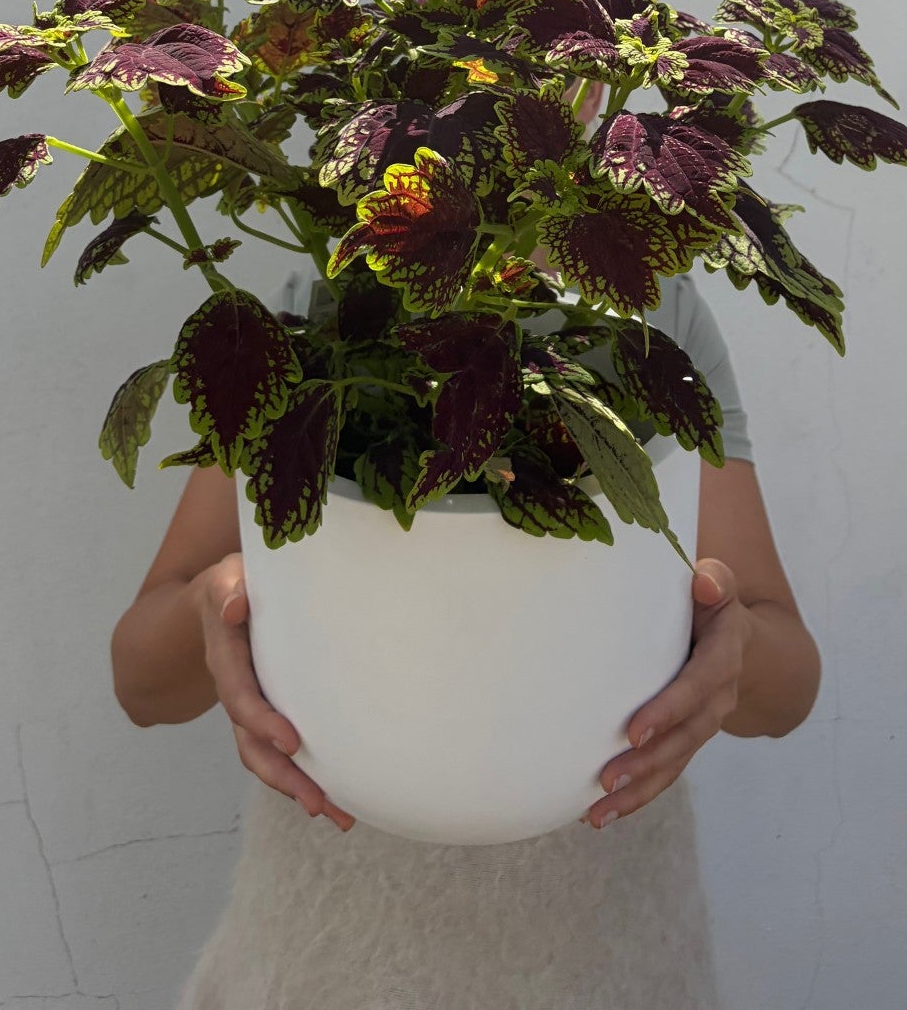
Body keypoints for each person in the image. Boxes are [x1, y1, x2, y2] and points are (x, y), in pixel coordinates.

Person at [110, 79, 821, 1010]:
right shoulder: (324, 295)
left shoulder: (649, 306)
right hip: (331, 946)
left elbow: (784, 679)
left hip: (606, 948)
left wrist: (732, 651)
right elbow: (144, 681)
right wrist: (219, 608)